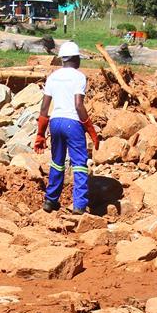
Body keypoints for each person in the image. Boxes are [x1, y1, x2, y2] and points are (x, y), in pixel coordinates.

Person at [34, 41, 98, 214]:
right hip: (73, 123)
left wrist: (40, 134)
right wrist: (91, 130)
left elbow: (44, 108)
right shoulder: (79, 77)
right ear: (76, 59)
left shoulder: (53, 77)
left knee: (57, 162)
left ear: (62, 59)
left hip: (55, 122)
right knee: (79, 164)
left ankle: (50, 200)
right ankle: (79, 205)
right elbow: (78, 105)